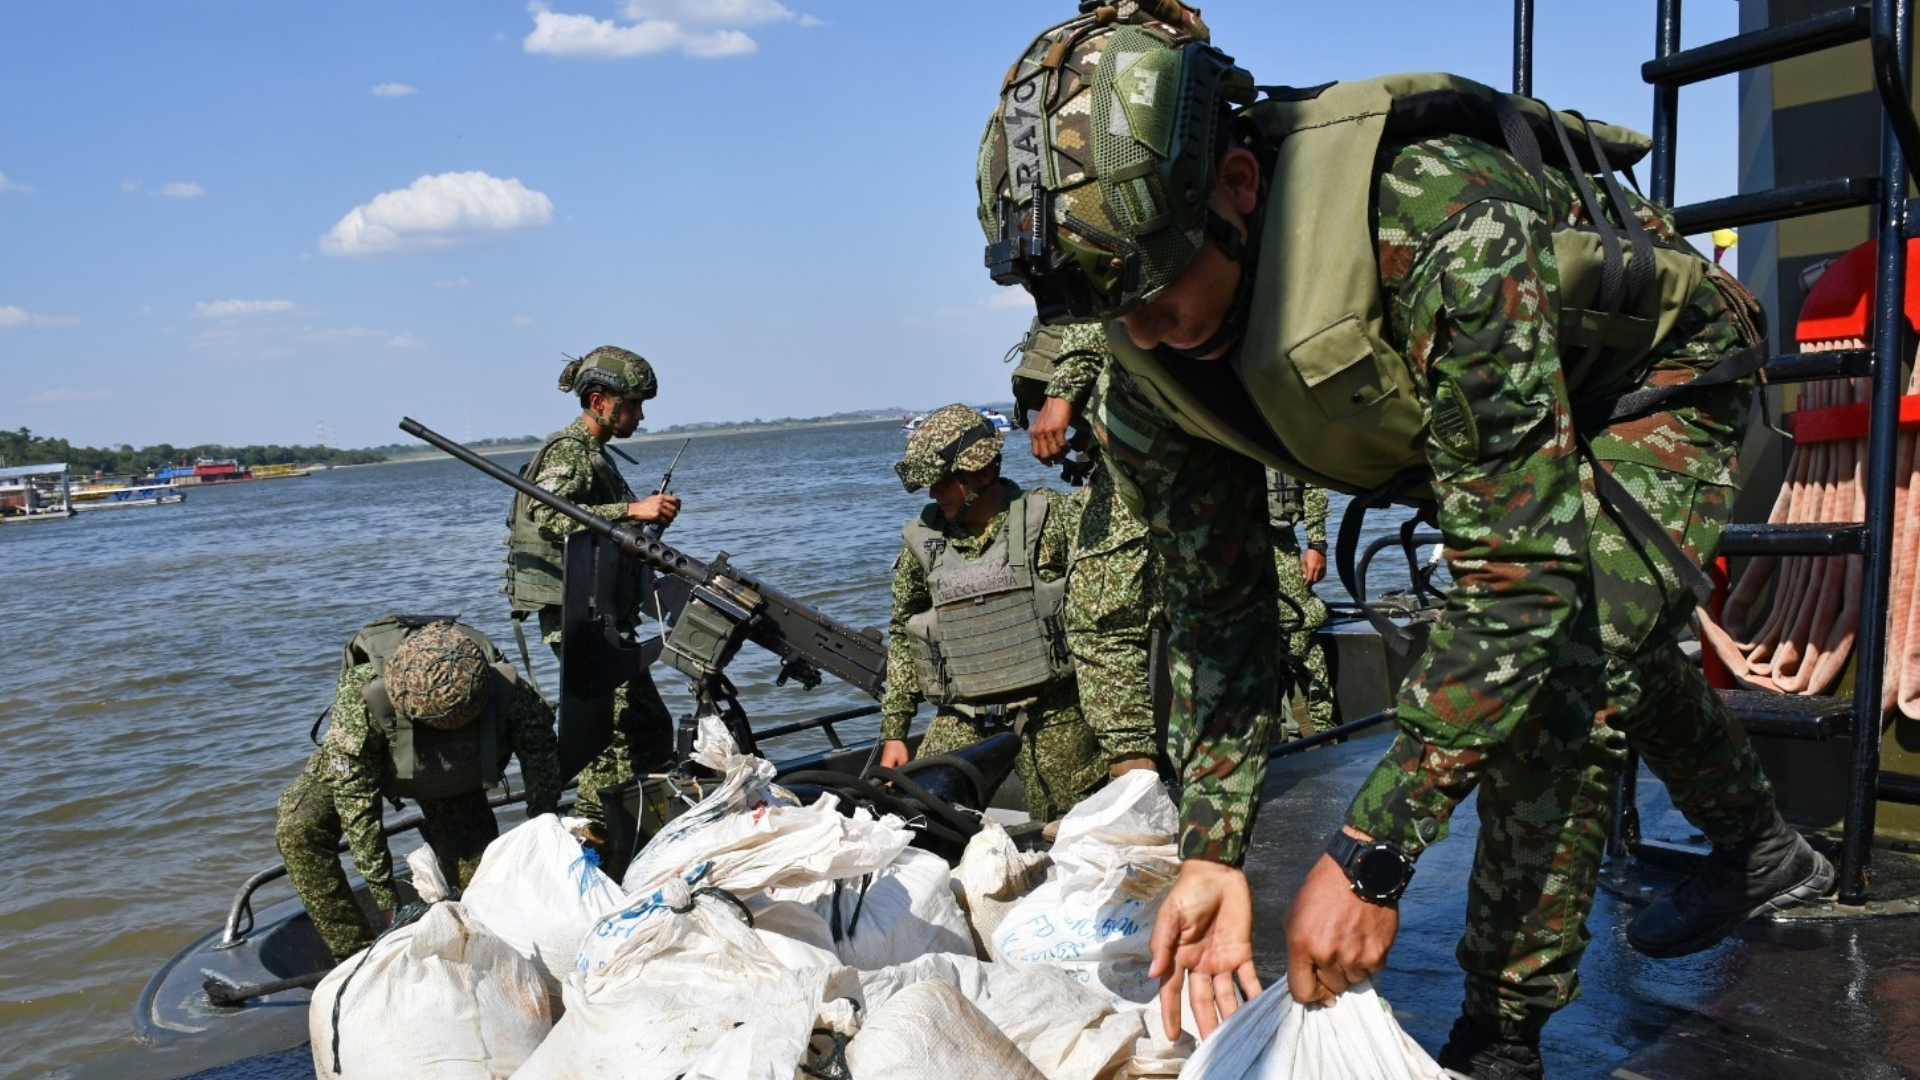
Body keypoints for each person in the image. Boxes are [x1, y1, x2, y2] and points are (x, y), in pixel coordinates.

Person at [972, 9, 1830, 1074]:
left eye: (1153, 286)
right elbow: (1220, 617)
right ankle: (1763, 851)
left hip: (1648, 380)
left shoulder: (1439, 223)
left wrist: (1372, 855)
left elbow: (1521, 581)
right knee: (1608, 623)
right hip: (1495, 404)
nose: (1141, 332)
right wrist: (1211, 851)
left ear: (1239, 186)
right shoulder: (1147, 377)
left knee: (1572, 662)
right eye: (1106, 312)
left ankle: (1498, 1040)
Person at [276, 617, 561, 962]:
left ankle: (470, 954)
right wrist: (387, 902)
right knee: (299, 830)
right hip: (373, 754)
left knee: (481, 893)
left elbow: (542, 762)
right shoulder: (361, 698)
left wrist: (545, 842)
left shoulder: (505, 688)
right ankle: (355, 954)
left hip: (454, 772)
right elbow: (358, 806)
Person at [877, 402, 1105, 822]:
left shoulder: (1050, 518)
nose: (933, 493)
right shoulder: (924, 542)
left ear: (982, 472)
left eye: (944, 481)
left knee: (1079, 833)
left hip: (1053, 713)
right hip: (962, 717)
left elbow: (1108, 604)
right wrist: (895, 731)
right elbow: (902, 632)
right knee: (918, 820)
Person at [502, 345, 680, 826]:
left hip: (601, 614)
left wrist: (643, 528)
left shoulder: (596, 456)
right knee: (610, 734)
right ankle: (597, 833)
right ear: (600, 401)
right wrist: (632, 510)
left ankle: (647, 824)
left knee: (646, 727)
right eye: (634, 405)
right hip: (579, 619)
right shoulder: (568, 452)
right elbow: (549, 514)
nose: (640, 417)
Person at [1018, 321, 1166, 781]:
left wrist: (1060, 398)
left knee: (1102, 621)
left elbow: (1100, 304)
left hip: (1141, 456)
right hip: (1193, 446)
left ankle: (1134, 803)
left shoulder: (1091, 271)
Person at [1268, 470, 1334, 738]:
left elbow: (1311, 476)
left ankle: (1319, 734)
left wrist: (1316, 544)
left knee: (1300, 630)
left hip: (1279, 542)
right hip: (1224, 542)